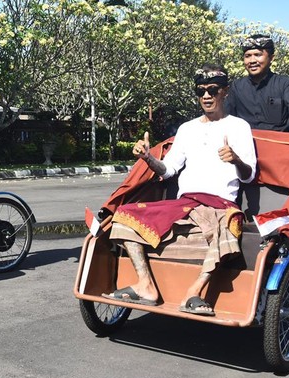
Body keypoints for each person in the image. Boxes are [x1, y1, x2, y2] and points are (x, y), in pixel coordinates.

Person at [102, 63, 257, 316]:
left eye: (213, 89)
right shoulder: (187, 129)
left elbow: (249, 176)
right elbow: (169, 169)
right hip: (185, 203)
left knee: (230, 225)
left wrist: (236, 159)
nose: (206, 95)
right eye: (201, 90)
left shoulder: (239, 127)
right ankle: (145, 285)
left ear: (224, 92)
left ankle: (193, 292)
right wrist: (147, 158)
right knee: (122, 216)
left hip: (220, 205)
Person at [225, 34, 289, 133]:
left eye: (258, 55)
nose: (252, 61)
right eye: (248, 56)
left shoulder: (285, 85)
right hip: (244, 146)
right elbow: (226, 119)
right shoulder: (237, 87)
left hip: (277, 145)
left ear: (271, 58)